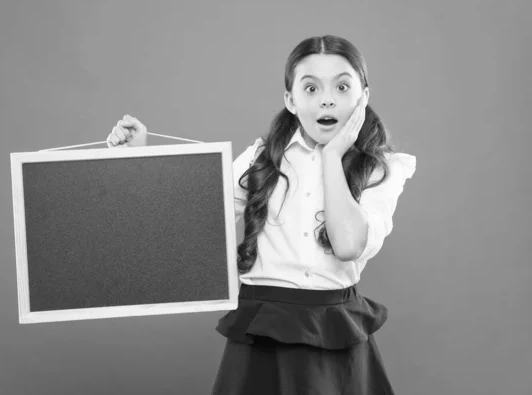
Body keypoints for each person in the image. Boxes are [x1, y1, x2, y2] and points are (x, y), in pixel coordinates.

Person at [106, 34, 416, 395]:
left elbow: (348, 244)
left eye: (342, 86)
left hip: (333, 333)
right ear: (291, 100)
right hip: (261, 334)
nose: (327, 98)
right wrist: (138, 159)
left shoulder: (383, 169)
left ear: (363, 96)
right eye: (311, 88)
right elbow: (186, 225)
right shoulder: (261, 160)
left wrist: (333, 156)